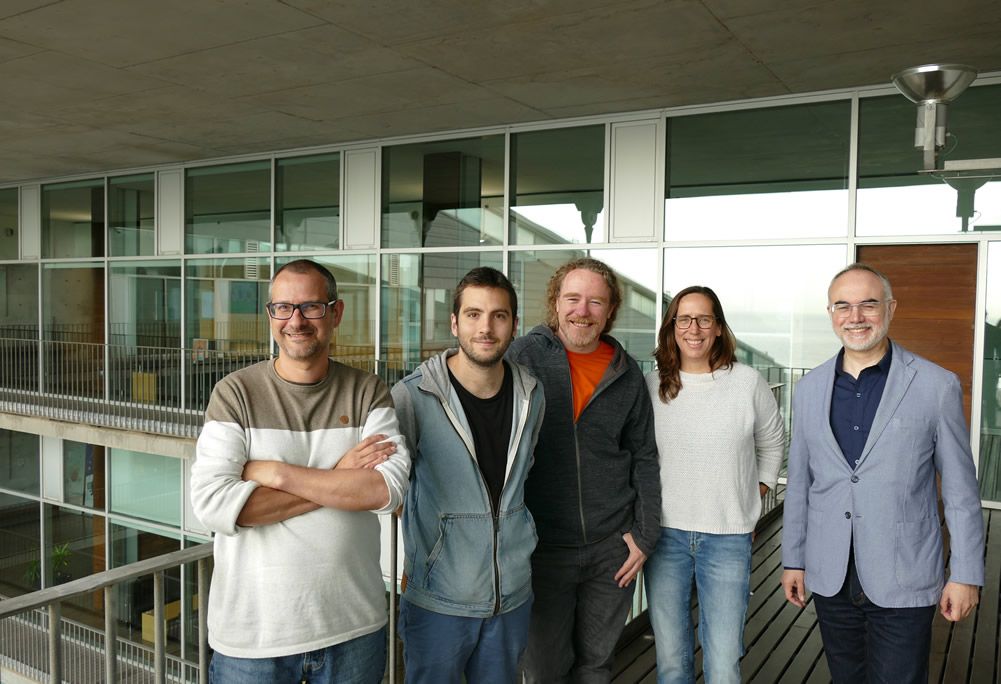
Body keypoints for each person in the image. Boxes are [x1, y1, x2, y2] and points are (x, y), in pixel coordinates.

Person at [190, 259, 411, 684]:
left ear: (336, 313)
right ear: (269, 314)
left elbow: (386, 489)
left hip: (354, 629)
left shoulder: (368, 391)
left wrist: (274, 472)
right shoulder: (234, 394)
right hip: (252, 640)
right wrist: (339, 473)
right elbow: (215, 506)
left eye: (311, 307)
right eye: (283, 308)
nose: (296, 321)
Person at [781, 263, 985, 684]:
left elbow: (962, 491)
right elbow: (800, 483)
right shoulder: (810, 388)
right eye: (843, 306)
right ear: (831, 313)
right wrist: (793, 559)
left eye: (868, 304)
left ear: (890, 308)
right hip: (830, 574)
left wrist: (965, 574)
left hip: (905, 571)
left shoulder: (935, 384)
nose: (855, 317)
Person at [507, 257, 661, 683]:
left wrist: (644, 536)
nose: (583, 310)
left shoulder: (627, 373)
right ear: (556, 302)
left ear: (610, 311)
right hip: (541, 550)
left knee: (596, 665)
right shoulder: (521, 358)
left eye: (597, 301)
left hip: (611, 550)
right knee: (542, 670)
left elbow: (644, 456)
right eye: (573, 298)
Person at [391, 266, 545, 683]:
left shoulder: (532, 393)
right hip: (439, 600)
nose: (486, 327)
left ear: (514, 324)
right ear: (455, 322)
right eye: (474, 314)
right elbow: (392, 487)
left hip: (511, 595)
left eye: (499, 315)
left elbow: (523, 473)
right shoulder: (413, 396)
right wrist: (435, 552)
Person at [645, 286, 785, 683]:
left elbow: (773, 443)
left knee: (724, 663)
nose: (694, 328)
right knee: (671, 662)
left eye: (704, 319)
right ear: (671, 329)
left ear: (719, 328)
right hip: (664, 536)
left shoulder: (747, 383)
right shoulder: (650, 386)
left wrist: (754, 495)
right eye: (683, 319)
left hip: (727, 538)